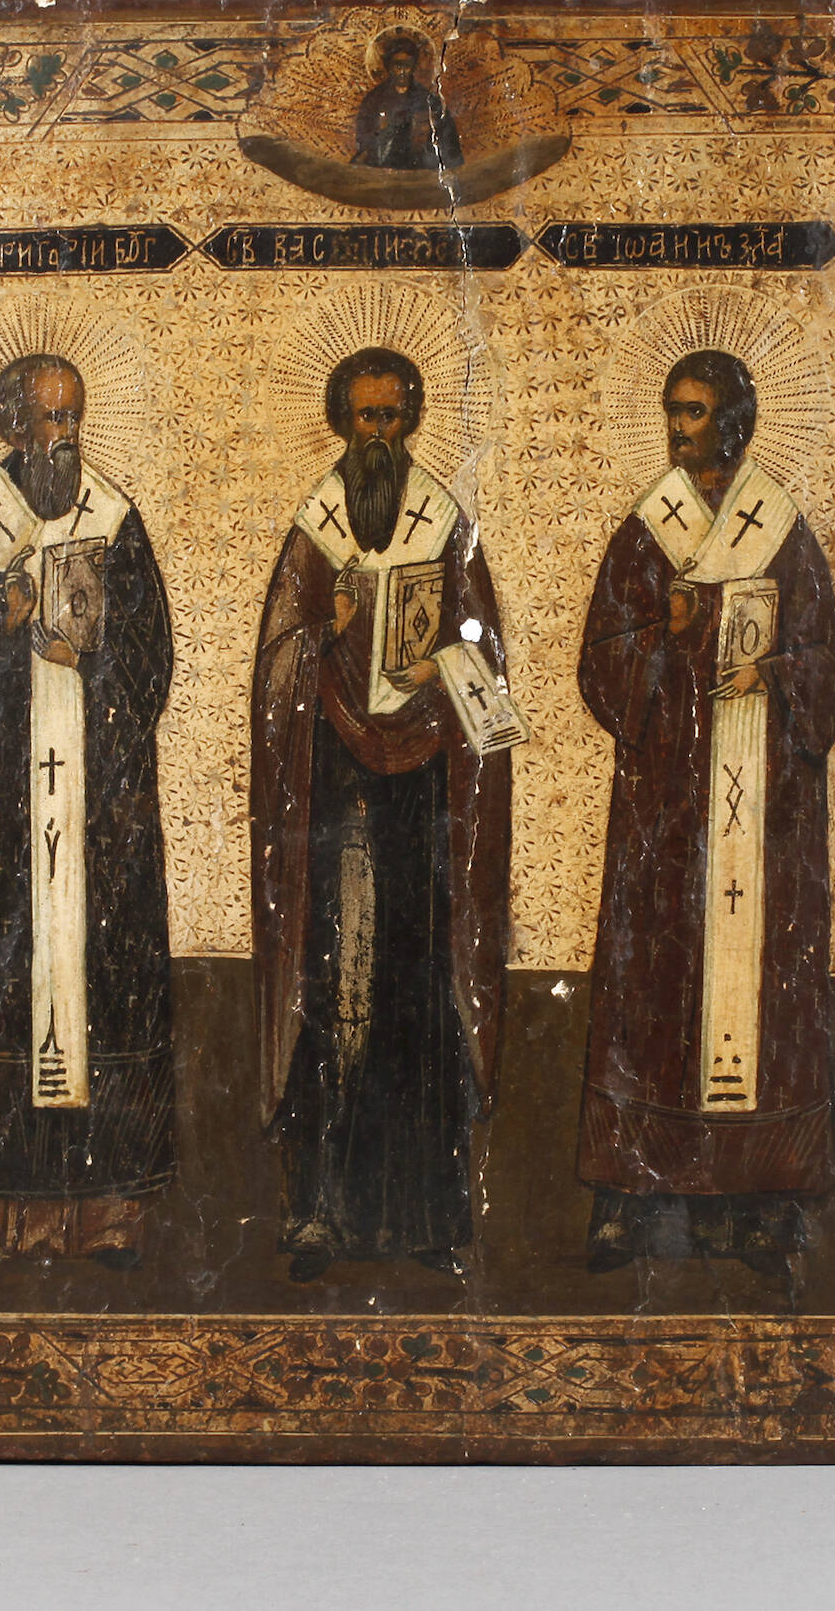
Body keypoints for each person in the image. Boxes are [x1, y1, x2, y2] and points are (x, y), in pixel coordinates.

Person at [576, 349, 835, 1278]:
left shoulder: (784, 533)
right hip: (668, 803)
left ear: (733, 421)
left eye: (694, 412)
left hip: (764, 810)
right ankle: (630, 1196)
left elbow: (825, 665)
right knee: (652, 983)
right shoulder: (648, 530)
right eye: (672, 410)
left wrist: (773, 672)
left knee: (761, 988)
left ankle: (762, 1201)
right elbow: (602, 658)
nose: (678, 427)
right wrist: (668, 636)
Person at [251, 346, 509, 1281]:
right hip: (334, 788)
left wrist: (442, 661)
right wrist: (326, 627)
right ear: (341, 422)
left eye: (392, 417)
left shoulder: (443, 521)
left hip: (422, 788)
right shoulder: (317, 528)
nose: (378, 434)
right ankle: (319, 1212)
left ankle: (425, 1217)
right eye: (365, 417)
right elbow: (278, 659)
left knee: (417, 989)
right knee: (336, 987)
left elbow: (484, 649)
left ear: (411, 421)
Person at [0, 353, 174, 1278]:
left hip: (98, 807)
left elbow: (151, 660)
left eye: (73, 417)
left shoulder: (114, 520)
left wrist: (90, 654)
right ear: (11, 426)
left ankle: (105, 1212)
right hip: (0, 813)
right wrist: (1, 618)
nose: (63, 436)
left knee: (104, 978)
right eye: (47, 419)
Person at [351, 35, 463, 171]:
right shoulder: (375, 100)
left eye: (407, 64)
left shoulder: (427, 100)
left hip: (419, 167)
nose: (402, 70)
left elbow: (448, 140)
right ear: (388, 66)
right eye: (397, 64)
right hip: (383, 167)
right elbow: (364, 137)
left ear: (414, 66)